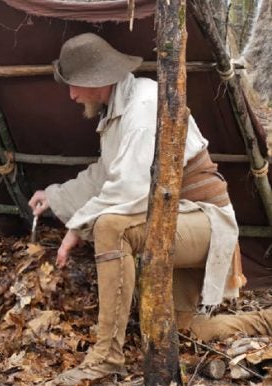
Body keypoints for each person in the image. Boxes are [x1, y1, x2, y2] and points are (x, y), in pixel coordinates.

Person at [28, 33, 243, 385]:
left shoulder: (143, 108)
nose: (72, 95)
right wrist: (56, 196)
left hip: (203, 220)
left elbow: (130, 188)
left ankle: (106, 356)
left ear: (101, 80)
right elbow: (105, 174)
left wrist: (77, 228)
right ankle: (266, 321)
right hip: (174, 221)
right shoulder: (119, 109)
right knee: (186, 330)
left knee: (109, 227)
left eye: (77, 85)